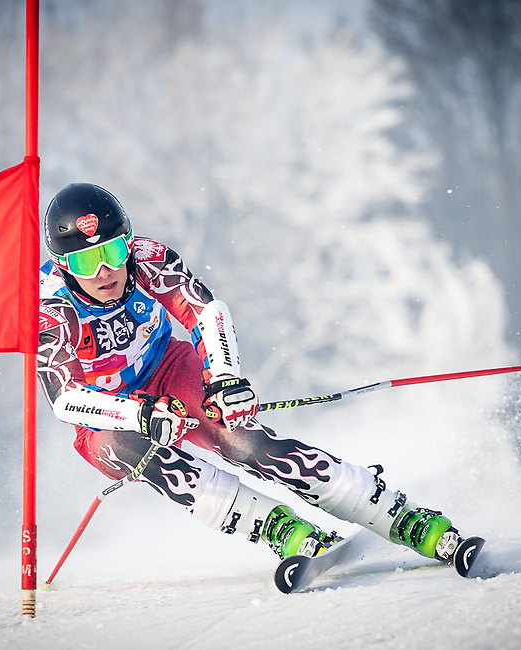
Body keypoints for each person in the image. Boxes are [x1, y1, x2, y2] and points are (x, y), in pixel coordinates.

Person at [37, 182, 463, 563]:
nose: (105, 271)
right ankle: (278, 528)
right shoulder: (50, 305)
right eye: (86, 261)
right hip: (106, 412)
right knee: (130, 449)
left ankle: (396, 514)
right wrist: (140, 414)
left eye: (113, 251)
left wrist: (224, 378)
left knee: (242, 438)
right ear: (62, 264)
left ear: (128, 243)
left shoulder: (148, 259)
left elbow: (206, 311)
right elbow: (66, 398)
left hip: (167, 366)